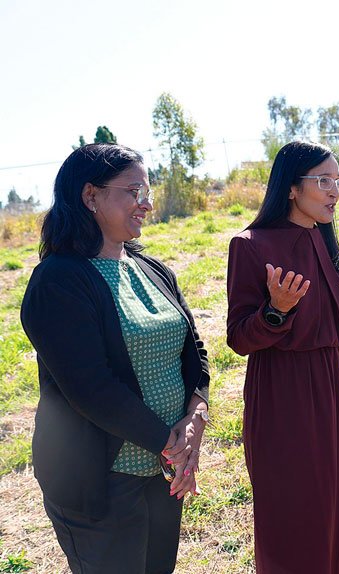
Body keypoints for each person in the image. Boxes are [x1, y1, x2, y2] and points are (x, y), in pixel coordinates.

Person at [20, 143, 210, 574]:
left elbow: (193, 351)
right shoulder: (59, 280)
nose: (147, 203)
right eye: (134, 191)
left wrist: (196, 416)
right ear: (91, 196)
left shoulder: (153, 269)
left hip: (163, 473)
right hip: (99, 481)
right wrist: (172, 445)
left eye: (148, 190)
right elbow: (91, 388)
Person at [226, 140, 339, 573]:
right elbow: (239, 338)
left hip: (330, 385)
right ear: (291, 188)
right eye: (323, 181)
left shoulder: (323, 239)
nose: (335, 191)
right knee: (292, 511)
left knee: (333, 501)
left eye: (338, 180)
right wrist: (275, 312)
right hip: (282, 393)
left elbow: (335, 323)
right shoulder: (250, 245)